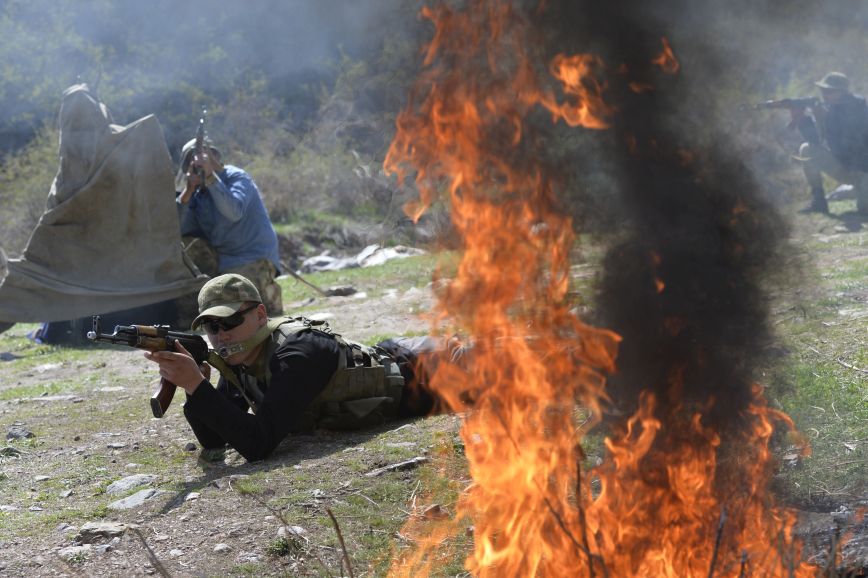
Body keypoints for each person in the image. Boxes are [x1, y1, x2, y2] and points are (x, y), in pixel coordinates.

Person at [144, 274, 441, 462]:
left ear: (261, 314)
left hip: (426, 369)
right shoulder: (240, 360)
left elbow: (258, 443)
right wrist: (195, 387)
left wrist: (197, 386)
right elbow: (217, 439)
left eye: (231, 322)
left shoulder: (298, 352)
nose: (222, 335)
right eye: (211, 327)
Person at [176, 137, 284, 315]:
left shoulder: (236, 177)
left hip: (251, 256)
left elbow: (234, 212)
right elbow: (180, 231)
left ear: (214, 158)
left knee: (240, 307)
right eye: (193, 163)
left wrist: (211, 178)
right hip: (223, 260)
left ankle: (269, 293)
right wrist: (187, 192)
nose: (199, 166)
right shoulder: (196, 194)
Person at [792, 71, 868, 214]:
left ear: (842, 92)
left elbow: (850, 140)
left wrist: (824, 117)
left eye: (829, 91)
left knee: (865, 210)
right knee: (807, 149)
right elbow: (816, 141)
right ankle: (819, 200)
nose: (824, 94)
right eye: (823, 90)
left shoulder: (859, 108)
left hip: (864, 170)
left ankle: (859, 190)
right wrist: (802, 120)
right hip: (845, 168)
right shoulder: (828, 109)